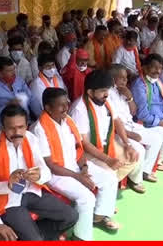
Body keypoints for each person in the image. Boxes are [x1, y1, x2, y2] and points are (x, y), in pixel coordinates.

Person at [0, 105, 78, 241]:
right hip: (8, 200)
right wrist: (8, 184)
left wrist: (39, 176)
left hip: (31, 190)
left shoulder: (31, 139)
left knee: (71, 216)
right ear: (2, 127)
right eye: (11, 128)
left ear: (27, 125)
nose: (17, 132)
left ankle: (38, 238)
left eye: (21, 127)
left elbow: (45, 172)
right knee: (35, 239)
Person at [33, 87, 120, 238]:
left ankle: (99, 217)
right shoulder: (39, 128)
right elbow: (50, 165)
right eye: (60, 105)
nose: (66, 107)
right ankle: (81, 237)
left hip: (75, 166)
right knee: (87, 198)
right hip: (56, 174)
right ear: (48, 108)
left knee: (110, 178)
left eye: (66, 103)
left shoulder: (68, 121)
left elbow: (78, 148)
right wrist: (79, 177)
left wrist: (84, 168)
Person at [70, 70, 143, 192]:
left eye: (107, 90)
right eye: (103, 91)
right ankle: (106, 190)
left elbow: (117, 121)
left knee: (135, 154)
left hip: (107, 143)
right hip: (88, 151)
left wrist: (127, 144)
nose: (106, 94)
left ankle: (112, 186)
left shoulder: (105, 101)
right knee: (109, 174)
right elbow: (85, 144)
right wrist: (108, 160)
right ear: (90, 92)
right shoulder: (79, 109)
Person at [107, 64, 163, 183]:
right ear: (113, 79)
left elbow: (133, 112)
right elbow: (113, 121)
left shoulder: (123, 91)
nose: (125, 80)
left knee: (157, 139)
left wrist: (129, 97)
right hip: (119, 131)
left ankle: (145, 171)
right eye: (122, 78)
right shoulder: (107, 94)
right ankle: (135, 180)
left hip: (132, 126)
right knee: (139, 149)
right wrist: (130, 134)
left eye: (126, 78)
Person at [130, 54, 163, 168]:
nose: (158, 71)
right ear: (145, 68)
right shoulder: (139, 85)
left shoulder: (158, 82)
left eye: (160, 68)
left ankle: (158, 160)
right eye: (154, 67)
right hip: (148, 124)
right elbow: (142, 114)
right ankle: (150, 167)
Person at [0, 57, 33, 125]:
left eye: (14, 69)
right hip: (7, 126)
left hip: (26, 121)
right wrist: (8, 105)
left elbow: (31, 97)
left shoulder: (19, 81)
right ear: (0, 74)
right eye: (9, 70)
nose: (14, 73)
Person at [29, 52, 66, 119]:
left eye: (53, 65)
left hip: (61, 113)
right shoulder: (36, 85)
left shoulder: (58, 78)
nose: (52, 69)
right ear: (40, 68)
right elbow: (39, 109)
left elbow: (65, 97)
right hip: (47, 116)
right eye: (48, 66)